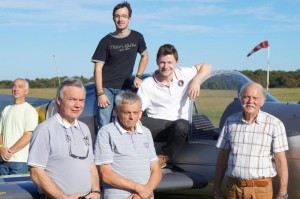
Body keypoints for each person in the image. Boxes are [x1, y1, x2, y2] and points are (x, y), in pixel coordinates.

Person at [137, 44, 212, 168]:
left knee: (182, 125)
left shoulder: (184, 74)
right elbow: (137, 111)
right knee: (138, 122)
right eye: (162, 62)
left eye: (169, 62)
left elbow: (207, 66)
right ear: (157, 62)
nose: (166, 66)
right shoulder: (147, 84)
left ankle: (163, 156)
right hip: (159, 127)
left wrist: (196, 80)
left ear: (177, 62)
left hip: (180, 127)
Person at [28, 78, 100, 199]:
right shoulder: (44, 130)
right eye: (72, 99)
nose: (78, 105)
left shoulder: (84, 129)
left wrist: (97, 192)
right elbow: (36, 172)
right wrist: (62, 197)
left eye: (81, 100)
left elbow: (91, 165)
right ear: (59, 100)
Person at [214, 82, 289, 199]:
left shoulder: (274, 124)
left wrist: (283, 192)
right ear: (240, 99)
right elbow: (222, 158)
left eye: (255, 98)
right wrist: (216, 189)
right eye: (246, 97)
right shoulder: (230, 122)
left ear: (262, 102)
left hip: (261, 190)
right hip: (234, 189)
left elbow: (281, 161)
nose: (250, 101)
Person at [91, 1, 148, 129]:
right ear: (113, 19)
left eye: (124, 16)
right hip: (106, 89)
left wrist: (138, 76)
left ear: (129, 19)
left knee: (127, 121)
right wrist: (100, 93)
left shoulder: (137, 37)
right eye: (117, 16)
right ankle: (104, 149)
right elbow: (98, 69)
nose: (120, 19)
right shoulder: (106, 41)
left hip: (126, 87)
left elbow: (145, 56)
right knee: (104, 124)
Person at [94, 91, 162, 199]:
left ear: (140, 112)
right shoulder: (106, 132)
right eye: (127, 112)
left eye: (135, 112)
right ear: (117, 111)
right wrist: (139, 188)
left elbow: (156, 170)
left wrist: (144, 192)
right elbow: (105, 175)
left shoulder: (146, 132)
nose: (132, 117)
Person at [0, 78, 38, 175]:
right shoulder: (6, 109)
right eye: (14, 86)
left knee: (15, 189)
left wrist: (9, 152)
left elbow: (28, 135)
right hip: (3, 161)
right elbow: (0, 132)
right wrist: (1, 148)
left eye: (20, 87)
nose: (16, 88)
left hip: (19, 161)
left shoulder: (29, 110)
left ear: (26, 91)